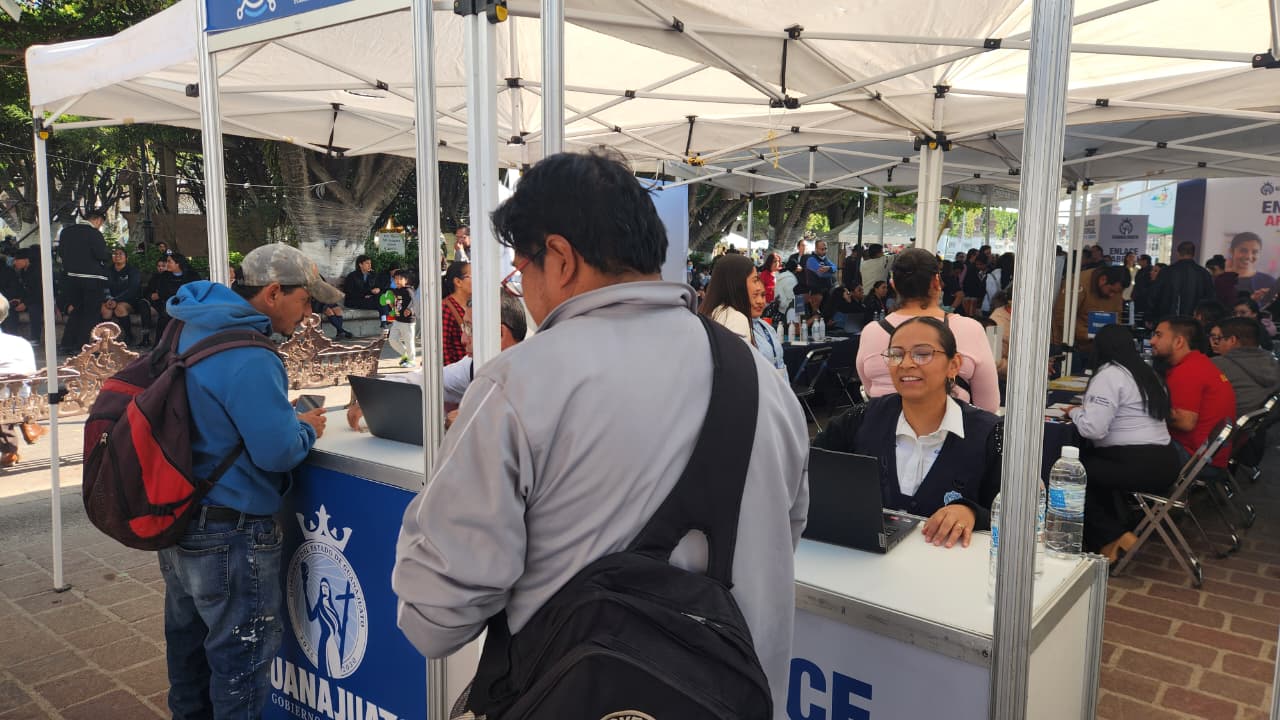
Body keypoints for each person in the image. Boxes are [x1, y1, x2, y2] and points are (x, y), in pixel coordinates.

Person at [392, 150, 808, 711]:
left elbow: (434, 619)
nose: (523, 289)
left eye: (521, 269)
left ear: (561, 258)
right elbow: (785, 536)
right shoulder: (765, 381)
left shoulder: (518, 386)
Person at [158, 243, 338, 719]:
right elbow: (277, 453)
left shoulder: (188, 325)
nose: (308, 314)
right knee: (239, 668)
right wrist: (304, 428)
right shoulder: (251, 353)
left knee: (188, 655)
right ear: (274, 293)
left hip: (178, 516)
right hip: (230, 532)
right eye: (305, 301)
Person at [816, 317, 1002, 546]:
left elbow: (1020, 513)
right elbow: (809, 470)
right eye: (896, 354)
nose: (905, 363)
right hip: (864, 562)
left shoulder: (989, 435)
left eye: (922, 354)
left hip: (949, 563)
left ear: (954, 365)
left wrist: (973, 513)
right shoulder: (862, 420)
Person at [1062, 325, 1180, 563]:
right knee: (1093, 468)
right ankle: (1114, 533)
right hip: (1166, 461)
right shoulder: (1147, 374)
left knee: (1070, 473)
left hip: (1134, 464)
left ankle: (1113, 537)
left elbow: (1093, 429)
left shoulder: (1109, 374)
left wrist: (1074, 412)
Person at [856, 248, 1000, 411]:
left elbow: (869, 390)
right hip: (953, 425)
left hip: (885, 425)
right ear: (936, 282)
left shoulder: (871, 332)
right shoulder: (970, 329)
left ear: (893, 284)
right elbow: (988, 406)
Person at [1149, 317, 1237, 469]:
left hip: (1195, 458)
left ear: (1178, 342)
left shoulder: (1187, 371)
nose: (1152, 341)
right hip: (1210, 456)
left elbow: (1185, 422)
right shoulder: (1199, 363)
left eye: (1158, 335)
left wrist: (1144, 408)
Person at [57, 209, 111, 352]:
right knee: (91, 313)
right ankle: (81, 346)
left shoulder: (66, 232)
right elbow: (101, 255)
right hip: (92, 279)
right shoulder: (94, 234)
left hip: (72, 277)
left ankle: (67, 343)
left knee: (77, 310)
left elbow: (61, 253)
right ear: (98, 220)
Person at [1052, 265, 1129, 355]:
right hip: (1068, 344)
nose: (1112, 295)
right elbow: (1062, 315)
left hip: (1098, 345)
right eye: (1111, 291)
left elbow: (1117, 317)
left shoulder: (1116, 289)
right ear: (1103, 279)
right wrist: (1087, 334)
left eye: (1117, 292)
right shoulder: (1078, 283)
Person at [1210, 317, 1280, 416]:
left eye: (1219, 339)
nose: (1217, 343)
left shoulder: (1215, 365)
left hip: (1229, 422)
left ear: (1232, 340)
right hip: (1264, 422)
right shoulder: (1273, 362)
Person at [0, 294, 38, 466]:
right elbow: (32, 373)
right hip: (23, 399)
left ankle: (9, 449)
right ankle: (12, 445)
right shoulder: (21, 342)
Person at [698, 253, 760, 344]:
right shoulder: (736, 319)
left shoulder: (709, 313)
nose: (758, 287)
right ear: (739, 283)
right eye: (755, 280)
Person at [1151, 241, 1215, 319]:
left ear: (1178, 253)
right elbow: (1210, 298)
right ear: (1193, 254)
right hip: (1195, 320)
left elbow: (1155, 295)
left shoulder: (1166, 271)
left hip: (1168, 318)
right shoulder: (1204, 273)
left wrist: (1150, 316)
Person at [148, 252, 201, 339]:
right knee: (164, 317)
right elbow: (162, 292)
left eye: (169, 262)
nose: (167, 264)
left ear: (177, 263)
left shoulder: (192, 275)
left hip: (189, 303)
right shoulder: (164, 276)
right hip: (170, 303)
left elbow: (197, 290)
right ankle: (160, 343)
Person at [1219, 231, 1275, 306]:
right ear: (1231, 251)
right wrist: (1251, 300)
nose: (1248, 256)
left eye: (1254, 252)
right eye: (1243, 251)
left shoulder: (1269, 282)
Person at [101, 247, 142, 345]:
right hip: (110, 300)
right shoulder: (107, 271)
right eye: (115, 254)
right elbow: (103, 287)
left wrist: (117, 300)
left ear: (126, 258)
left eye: (120, 254)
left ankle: (129, 336)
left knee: (119, 308)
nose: (117, 256)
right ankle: (105, 339)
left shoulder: (133, 271)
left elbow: (133, 289)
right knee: (105, 309)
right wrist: (108, 299)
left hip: (129, 300)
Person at [5, 247, 44, 343]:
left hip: (38, 301)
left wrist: (25, 303)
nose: (15, 263)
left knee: (34, 309)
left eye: (17, 260)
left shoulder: (37, 271)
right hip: (27, 300)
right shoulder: (23, 272)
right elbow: (24, 290)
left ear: (26, 260)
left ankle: (35, 338)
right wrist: (19, 300)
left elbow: (38, 292)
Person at [750, 283, 786, 375]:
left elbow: (780, 362)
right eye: (755, 295)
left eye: (763, 295)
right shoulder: (739, 328)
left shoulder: (767, 326)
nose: (760, 301)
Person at [440, 260, 471, 365]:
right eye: (473, 276)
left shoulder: (475, 304)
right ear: (458, 282)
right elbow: (443, 347)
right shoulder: (445, 308)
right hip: (459, 370)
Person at [388, 269, 418, 367]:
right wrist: (392, 305)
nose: (397, 281)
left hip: (408, 321)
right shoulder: (396, 291)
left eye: (400, 279)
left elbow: (416, 302)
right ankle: (405, 354)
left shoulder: (409, 291)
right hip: (397, 320)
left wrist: (410, 310)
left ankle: (412, 361)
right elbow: (397, 305)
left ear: (406, 280)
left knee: (409, 341)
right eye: (395, 279)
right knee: (392, 339)